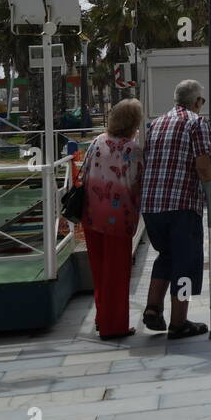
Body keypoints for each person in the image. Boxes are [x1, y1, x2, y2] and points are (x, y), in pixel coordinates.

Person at [138, 79, 211, 340]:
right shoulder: (196, 123)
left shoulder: (156, 124)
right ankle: (179, 321)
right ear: (197, 102)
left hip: (152, 205)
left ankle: (153, 308)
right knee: (185, 264)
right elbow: (204, 166)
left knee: (167, 255)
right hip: (182, 204)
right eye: (202, 101)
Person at [81, 99, 145, 340]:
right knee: (117, 274)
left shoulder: (97, 141)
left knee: (99, 271)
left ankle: (101, 318)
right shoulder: (132, 149)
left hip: (91, 215)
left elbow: (85, 171)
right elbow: (138, 184)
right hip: (118, 219)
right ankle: (114, 326)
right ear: (133, 122)